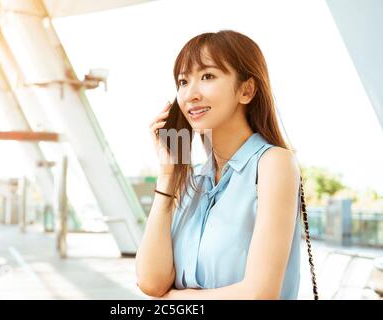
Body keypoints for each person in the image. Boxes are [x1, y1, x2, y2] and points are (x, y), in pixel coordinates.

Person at [135, 30, 318, 300]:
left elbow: (259, 294)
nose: (190, 94)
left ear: (246, 90)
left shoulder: (273, 164)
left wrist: (171, 299)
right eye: (183, 81)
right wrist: (167, 177)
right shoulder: (193, 179)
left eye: (207, 76)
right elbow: (151, 282)